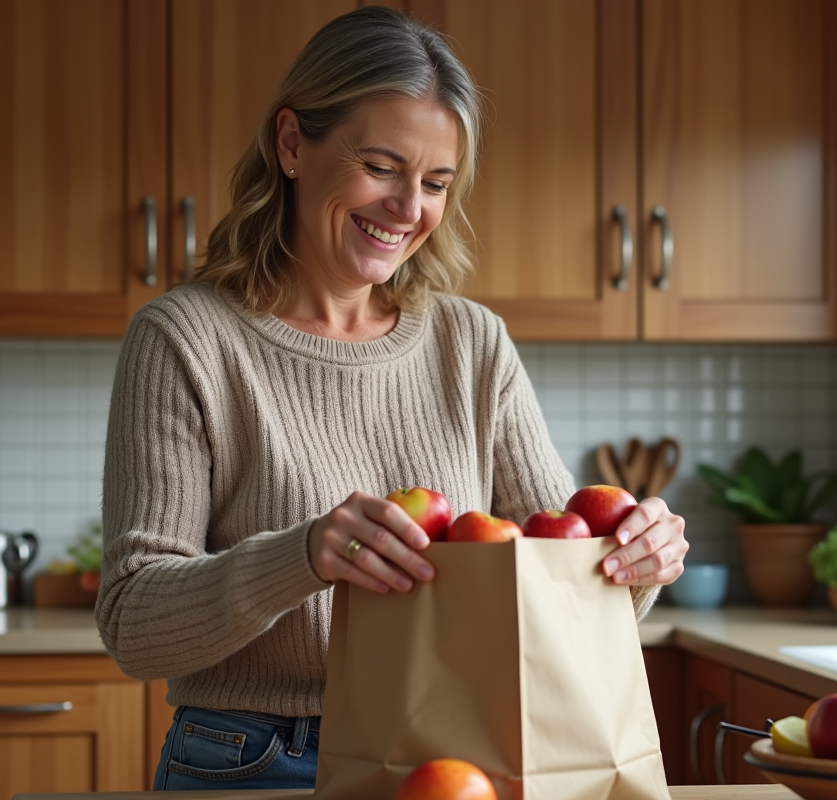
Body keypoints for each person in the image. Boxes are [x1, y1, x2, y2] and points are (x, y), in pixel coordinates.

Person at [96, 6, 687, 792]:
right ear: (291, 143)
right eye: (381, 167)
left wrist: (635, 563)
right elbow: (134, 624)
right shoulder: (185, 339)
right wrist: (304, 555)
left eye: (436, 183)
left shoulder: (472, 345)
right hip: (253, 757)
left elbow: (558, 590)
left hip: (452, 751)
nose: (410, 209)